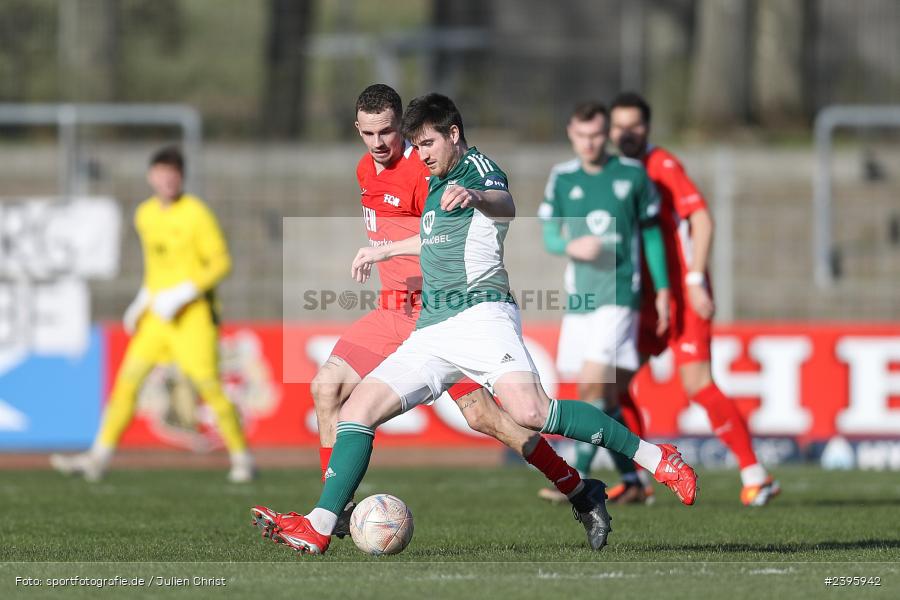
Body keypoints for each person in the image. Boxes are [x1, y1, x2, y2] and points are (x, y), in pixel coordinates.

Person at [250, 93, 698, 555]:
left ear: (453, 135)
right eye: (415, 145)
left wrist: (479, 196)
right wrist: (383, 251)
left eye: (426, 144)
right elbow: (432, 243)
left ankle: (657, 458)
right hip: (432, 327)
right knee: (355, 411)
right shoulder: (434, 179)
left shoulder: (477, 171)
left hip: (481, 315)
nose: (420, 155)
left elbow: (505, 203)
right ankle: (319, 525)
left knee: (530, 413)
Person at [609, 91, 780, 506]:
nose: (626, 133)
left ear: (647, 128)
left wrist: (696, 279)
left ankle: (755, 475)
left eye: (634, 125)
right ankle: (637, 480)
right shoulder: (613, 171)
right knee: (613, 388)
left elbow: (700, 218)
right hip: (642, 299)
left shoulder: (661, 165)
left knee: (698, 384)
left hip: (682, 296)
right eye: (619, 126)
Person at [50, 147, 254, 483]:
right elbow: (155, 268)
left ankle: (241, 457)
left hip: (192, 317)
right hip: (157, 318)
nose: (167, 179)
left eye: (173, 173)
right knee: (126, 384)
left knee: (209, 387)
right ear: (151, 176)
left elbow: (221, 262)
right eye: (162, 172)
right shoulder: (145, 214)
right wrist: (141, 300)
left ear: (182, 177)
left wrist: (184, 292)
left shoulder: (196, 213)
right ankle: (97, 458)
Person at [536, 101, 673, 505]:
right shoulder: (561, 178)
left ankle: (575, 481)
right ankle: (633, 480)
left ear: (607, 134)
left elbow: (650, 235)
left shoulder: (632, 175)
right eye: (582, 135)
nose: (590, 143)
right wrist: (569, 244)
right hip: (580, 298)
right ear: (570, 134)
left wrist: (662, 290)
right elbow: (548, 234)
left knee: (592, 386)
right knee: (603, 399)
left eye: (597, 134)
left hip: (619, 295)